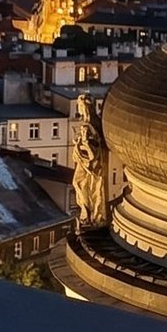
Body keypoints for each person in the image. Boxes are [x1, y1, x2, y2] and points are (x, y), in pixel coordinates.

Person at [72, 92, 109, 230]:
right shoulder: (94, 123)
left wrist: (83, 144)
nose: (79, 109)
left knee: (80, 184)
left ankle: (89, 213)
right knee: (83, 186)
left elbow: (94, 154)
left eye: (80, 106)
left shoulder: (89, 126)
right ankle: (89, 212)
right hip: (89, 164)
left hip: (90, 166)